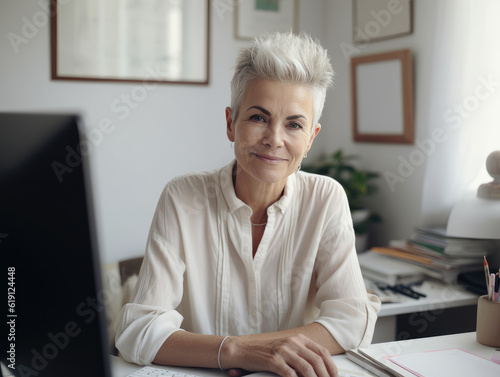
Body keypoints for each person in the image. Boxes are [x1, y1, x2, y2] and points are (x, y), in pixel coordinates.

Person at [114, 32, 380, 377]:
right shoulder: (182, 197)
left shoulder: (326, 198)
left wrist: (262, 351)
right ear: (230, 124)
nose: (274, 139)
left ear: (311, 138)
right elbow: (139, 331)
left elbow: (353, 320)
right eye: (258, 117)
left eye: (294, 124)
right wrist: (240, 350)